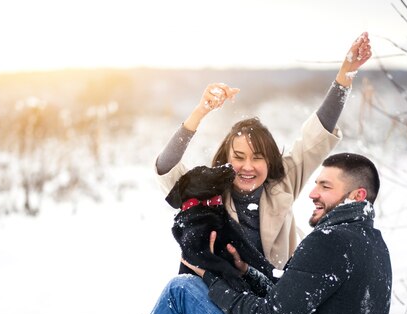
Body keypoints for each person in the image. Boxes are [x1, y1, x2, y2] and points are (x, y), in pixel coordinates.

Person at [96, 153, 393, 314]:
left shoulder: (328, 241)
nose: (313, 193)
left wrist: (210, 278)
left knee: (182, 290)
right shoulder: (373, 243)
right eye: (315, 183)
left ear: (358, 195)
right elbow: (296, 305)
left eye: (325, 186)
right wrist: (247, 274)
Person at [155, 32, 372, 269]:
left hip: (275, 296)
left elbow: (317, 133)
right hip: (225, 296)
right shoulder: (209, 190)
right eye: (239, 157)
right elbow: (167, 168)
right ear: (226, 159)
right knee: (179, 289)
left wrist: (346, 74)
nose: (247, 166)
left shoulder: (283, 180)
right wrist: (199, 113)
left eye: (257, 158)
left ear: (269, 162)